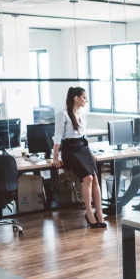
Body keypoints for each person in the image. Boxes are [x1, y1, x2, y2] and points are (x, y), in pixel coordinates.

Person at [52, 87, 106, 229]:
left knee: (95, 178)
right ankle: (89, 213)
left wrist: (90, 152)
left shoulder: (82, 114)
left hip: (83, 148)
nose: (86, 101)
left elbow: (84, 136)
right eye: (84, 98)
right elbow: (57, 138)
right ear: (76, 98)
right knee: (87, 178)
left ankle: (99, 213)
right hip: (70, 150)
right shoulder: (62, 115)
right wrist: (55, 158)